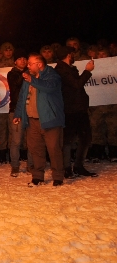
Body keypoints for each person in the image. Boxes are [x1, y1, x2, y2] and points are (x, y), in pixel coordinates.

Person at [13, 53, 66, 186]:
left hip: (50, 120)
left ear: (40, 64)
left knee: (54, 149)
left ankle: (58, 176)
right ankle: (37, 175)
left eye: (30, 63)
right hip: (32, 121)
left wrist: (32, 80)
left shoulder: (53, 76)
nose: (27, 65)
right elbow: (22, 97)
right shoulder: (28, 78)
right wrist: (18, 114)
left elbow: (48, 87)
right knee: (35, 149)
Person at [55, 46, 97, 178]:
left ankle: (78, 166)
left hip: (78, 109)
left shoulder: (69, 69)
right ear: (68, 55)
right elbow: (77, 84)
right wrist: (87, 71)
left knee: (85, 138)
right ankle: (67, 168)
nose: (74, 56)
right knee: (68, 140)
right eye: (72, 54)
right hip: (70, 110)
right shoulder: (62, 69)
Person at [6, 53, 28, 176]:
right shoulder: (12, 74)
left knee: (31, 140)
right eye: (20, 58)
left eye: (24, 58)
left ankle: (31, 165)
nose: (23, 60)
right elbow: (16, 87)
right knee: (16, 140)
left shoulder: (31, 72)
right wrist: (25, 75)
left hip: (30, 110)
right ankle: (15, 165)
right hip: (16, 110)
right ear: (15, 62)